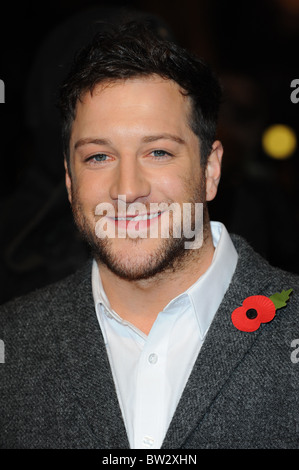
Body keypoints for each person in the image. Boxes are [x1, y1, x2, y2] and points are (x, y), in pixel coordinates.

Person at [0, 21, 298, 450]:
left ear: (210, 170)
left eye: (158, 152)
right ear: (69, 181)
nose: (127, 189)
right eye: (98, 156)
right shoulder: (13, 341)